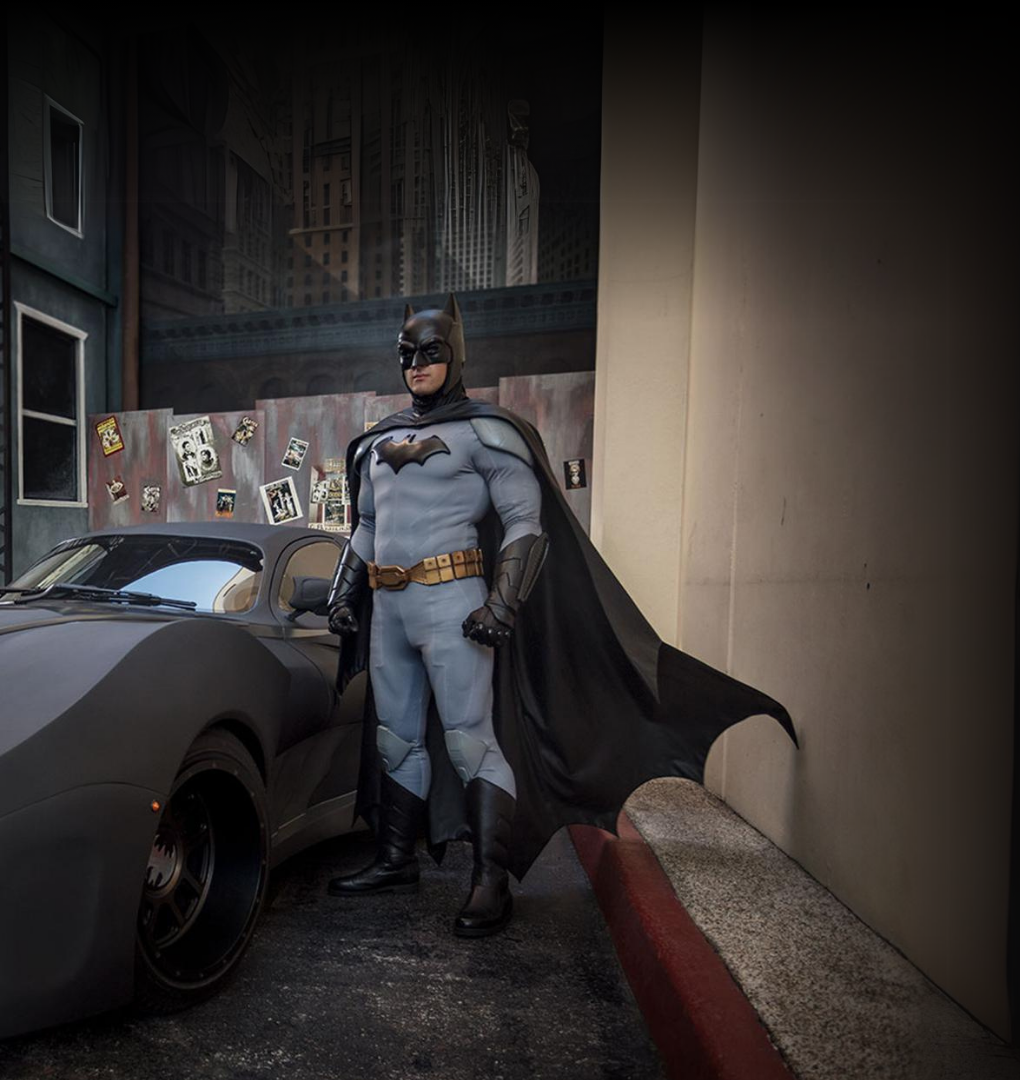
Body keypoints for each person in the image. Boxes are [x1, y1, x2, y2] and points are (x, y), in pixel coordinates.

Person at [323, 298, 795, 937]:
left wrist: (501, 604)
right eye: (407, 354)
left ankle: (490, 880)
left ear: (456, 352)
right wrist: (343, 592)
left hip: (453, 602)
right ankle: (396, 859)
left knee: (469, 738)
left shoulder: (489, 431)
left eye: (430, 351)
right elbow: (367, 527)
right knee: (396, 737)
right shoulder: (375, 444)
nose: (417, 364)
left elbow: (525, 523)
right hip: (391, 607)